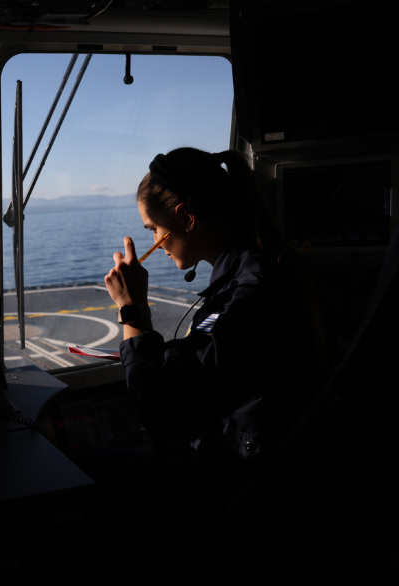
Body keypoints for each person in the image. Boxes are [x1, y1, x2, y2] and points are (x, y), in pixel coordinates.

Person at [96, 147, 327, 577]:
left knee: (100, 488)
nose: (155, 244)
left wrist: (133, 313)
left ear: (186, 218)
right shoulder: (259, 270)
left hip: (243, 483)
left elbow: (158, 408)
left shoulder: (247, 296)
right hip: (262, 465)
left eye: (154, 230)